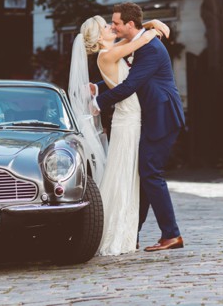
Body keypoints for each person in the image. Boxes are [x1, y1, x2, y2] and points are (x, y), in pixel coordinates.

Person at [68, 14, 167, 256]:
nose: (112, 27)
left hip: (132, 118)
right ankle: (117, 232)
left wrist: (149, 23)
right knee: (124, 176)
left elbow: (132, 38)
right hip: (128, 122)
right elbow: (139, 42)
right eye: (106, 26)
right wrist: (153, 30)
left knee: (130, 176)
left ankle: (128, 231)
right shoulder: (108, 54)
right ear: (98, 37)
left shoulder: (113, 50)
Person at [92, 2, 185, 253]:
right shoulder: (141, 42)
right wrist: (99, 87)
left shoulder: (150, 49)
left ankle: (171, 235)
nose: (113, 26)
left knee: (150, 173)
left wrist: (97, 103)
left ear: (129, 25)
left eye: (117, 23)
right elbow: (123, 75)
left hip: (162, 116)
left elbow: (130, 85)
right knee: (144, 175)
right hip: (152, 116)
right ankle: (133, 232)